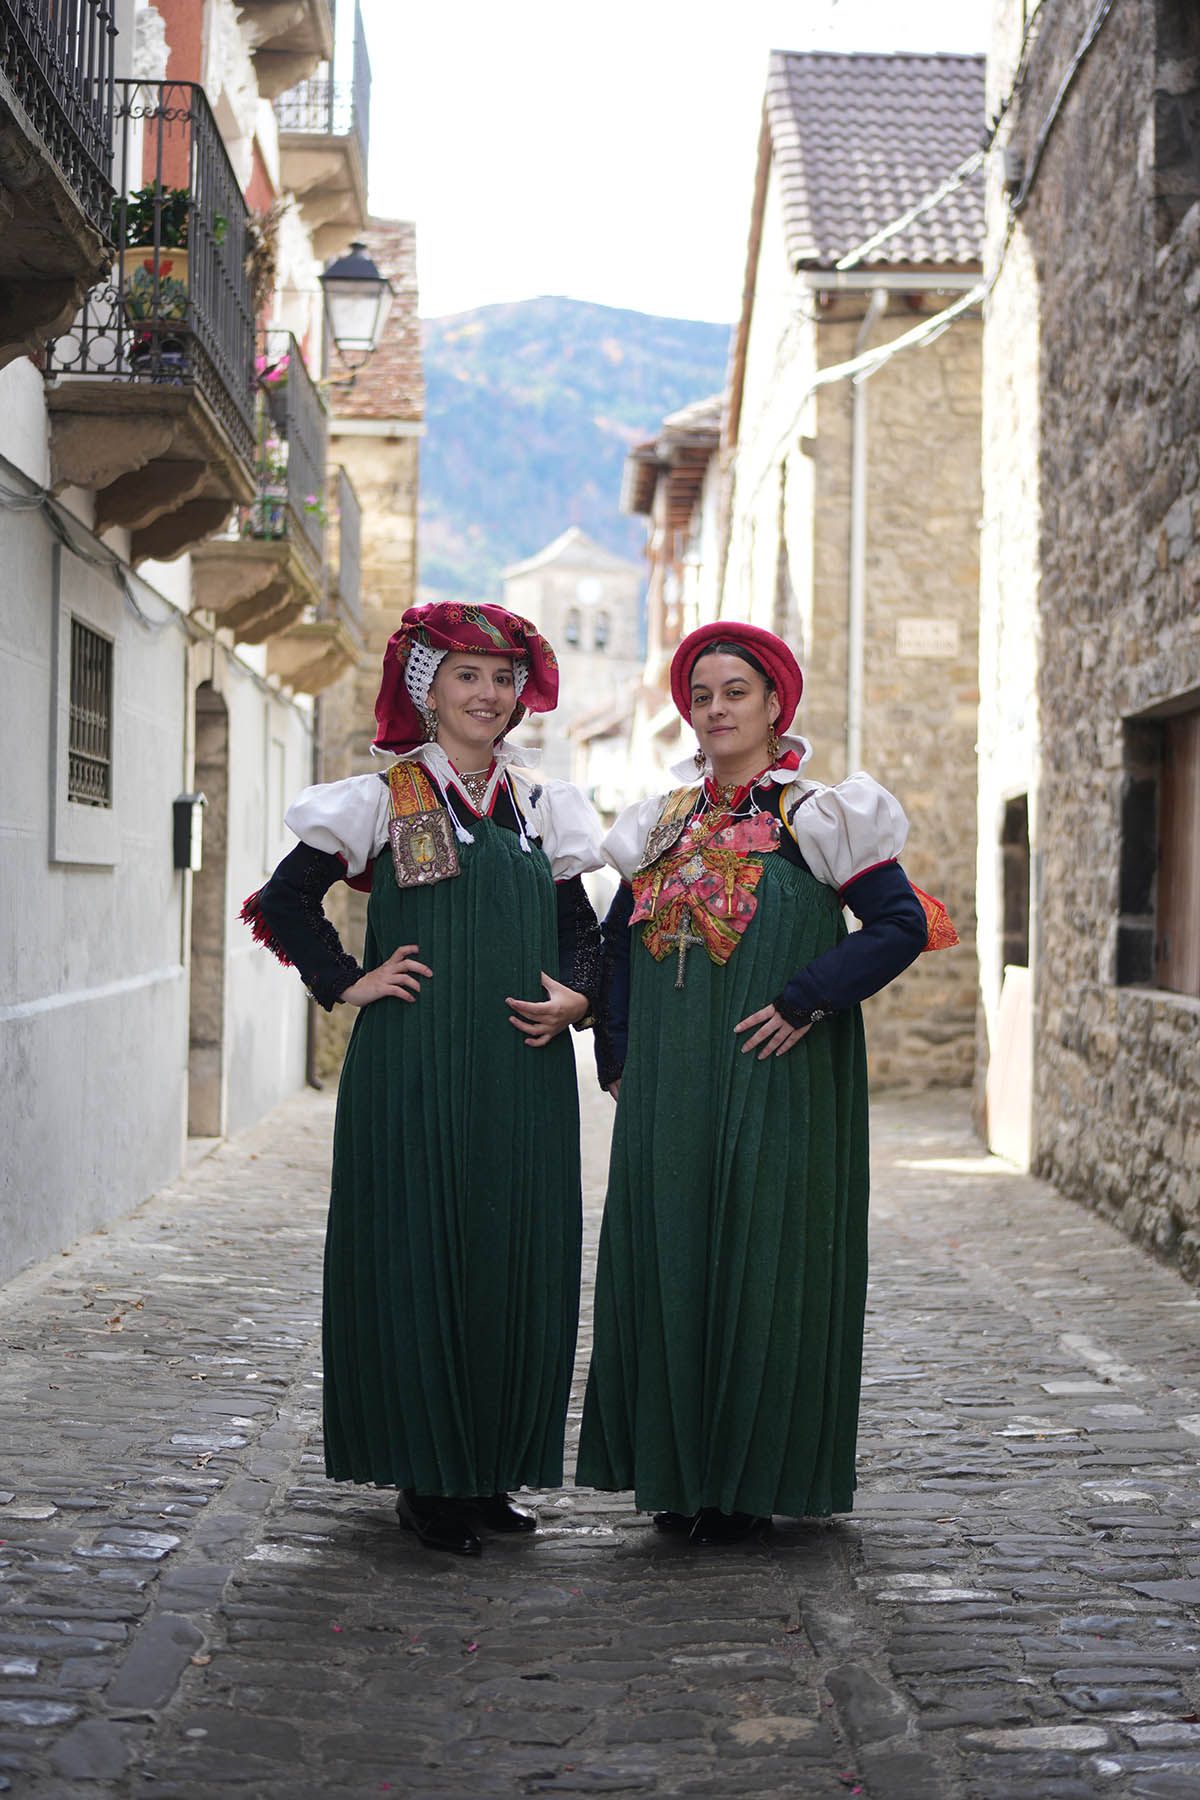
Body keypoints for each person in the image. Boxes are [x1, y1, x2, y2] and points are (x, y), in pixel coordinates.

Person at [576, 620, 955, 1546]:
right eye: (701, 696)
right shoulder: (662, 821)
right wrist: (618, 1053)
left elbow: (900, 926)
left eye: (734, 692)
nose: (715, 710)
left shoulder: (819, 815)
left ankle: (746, 1482)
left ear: (775, 702)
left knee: (760, 1257)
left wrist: (806, 998)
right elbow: (622, 940)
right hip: (670, 1089)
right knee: (671, 1256)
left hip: (776, 1081)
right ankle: (675, 1476)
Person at [242, 602, 603, 1558]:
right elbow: (283, 898)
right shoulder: (382, 798)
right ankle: (427, 1481)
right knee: (422, 1250)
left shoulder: (540, 806)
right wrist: (347, 980)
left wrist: (578, 998)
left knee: (514, 1258)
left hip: (522, 1072)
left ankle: (487, 1476)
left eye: (502, 678)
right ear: (427, 691)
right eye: (465, 676)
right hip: (415, 1064)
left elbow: (583, 930)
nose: (487, 695)